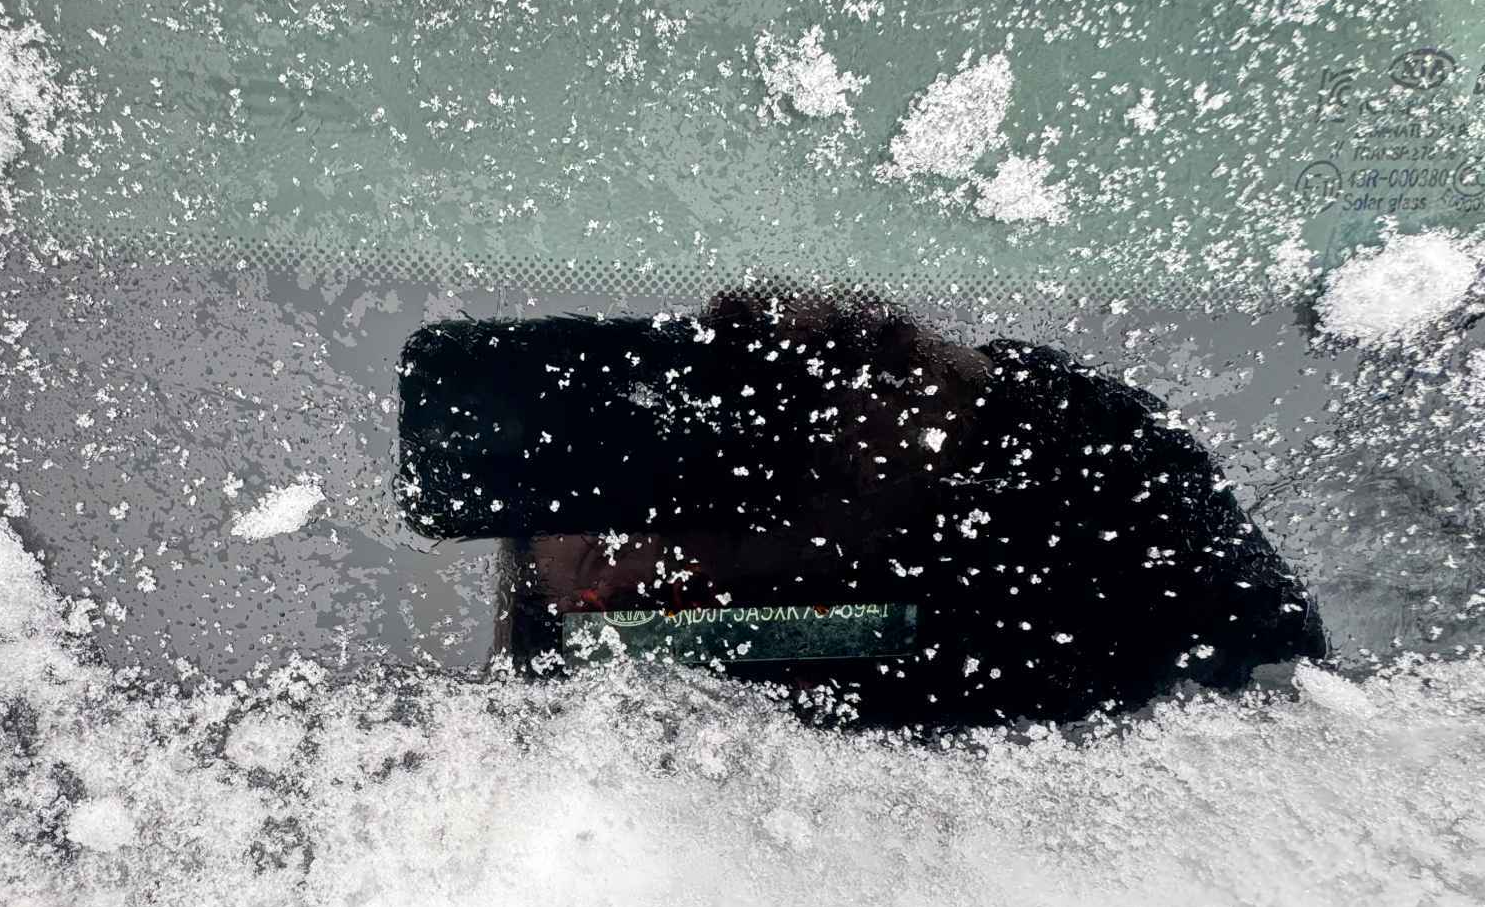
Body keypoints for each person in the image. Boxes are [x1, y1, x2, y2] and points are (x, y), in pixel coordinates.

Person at [397, 291, 1326, 728]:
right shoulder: (782, 705)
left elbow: (1277, 667)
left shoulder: (1037, 439)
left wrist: (920, 403)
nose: (639, 515)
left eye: (607, 483)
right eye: (607, 557)